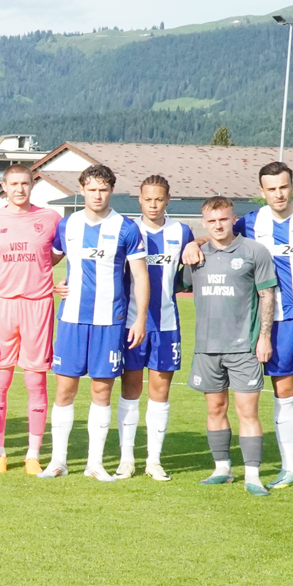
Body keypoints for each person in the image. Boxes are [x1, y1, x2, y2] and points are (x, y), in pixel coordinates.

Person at [187, 161, 293, 499]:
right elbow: (221, 229)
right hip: (275, 323)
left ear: (292, 186)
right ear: (261, 192)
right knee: (283, 395)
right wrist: (195, 242)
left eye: (283, 186)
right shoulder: (253, 221)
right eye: (271, 188)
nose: (278, 193)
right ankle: (290, 469)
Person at [41, 164, 149, 481]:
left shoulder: (126, 228)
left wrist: (139, 318)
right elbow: (48, 259)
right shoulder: (68, 225)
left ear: (111, 191)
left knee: (102, 391)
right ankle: (58, 461)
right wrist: (52, 283)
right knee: (64, 390)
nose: (97, 195)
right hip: (72, 319)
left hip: (109, 322)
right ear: (82, 189)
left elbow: (141, 276)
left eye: (103, 189)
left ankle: (95, 463)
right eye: (91, 189)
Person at [182, 196, 276, 495]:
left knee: (247, 411)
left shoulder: (254, 252)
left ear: (233, 218)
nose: (218, 225)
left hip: (243, 348)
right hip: (207, 347)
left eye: (223, 219)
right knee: (215, 408)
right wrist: (191, 244)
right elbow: (176, 286)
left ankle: (252, 475)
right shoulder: (196, 256)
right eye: (211, 221)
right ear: (204, 223)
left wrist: (264, 337)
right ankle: (222, 468)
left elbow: (267, 296)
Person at [0, 163, 63, 473]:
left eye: (25, 183)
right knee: (0, 381)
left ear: (32, 184)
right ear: (4, 186)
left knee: (36, 381)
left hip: (38, 305)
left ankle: (33, 454)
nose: (19, 189)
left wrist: (53, 276)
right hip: (1, 307)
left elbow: (62, 251)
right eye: (13, 184)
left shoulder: (50, 219)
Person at [116, 175, 191, 480]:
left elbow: (193, 259)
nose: (153, 205)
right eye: (148, 199)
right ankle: (126, 459)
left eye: (159, 199)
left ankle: (154, 461)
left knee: (160, 391)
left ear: (168, 199)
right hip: (133, 324)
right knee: (130, 390)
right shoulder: (127, 231)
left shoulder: (181, 231)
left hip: (167, 324)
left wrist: (195, 246)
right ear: (140, 200)